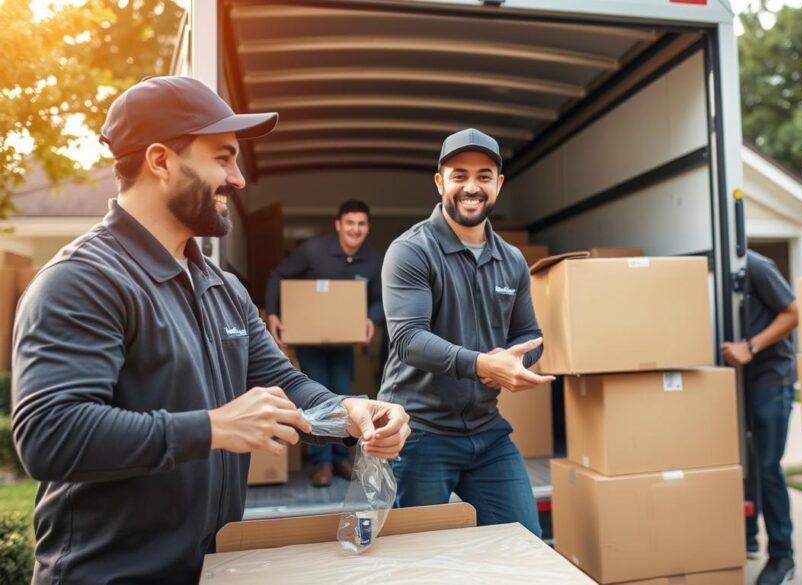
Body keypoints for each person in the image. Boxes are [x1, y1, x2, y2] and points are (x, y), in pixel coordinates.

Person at [10, 76, 410, 584]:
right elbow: (51, 435)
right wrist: (214, 427)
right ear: (160, 161)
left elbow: (288, 385)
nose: (239, 179)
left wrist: (351, 412)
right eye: (223, 158)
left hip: (212, 569)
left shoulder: (223, 287)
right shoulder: (81, 281)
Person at [378, 128, 554, 537]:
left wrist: (511, 364)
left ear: (498, 184)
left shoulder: (511, 260)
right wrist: (480, 365)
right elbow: (408, 339)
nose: (471, 187)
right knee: (423, 561)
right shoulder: (411, 251)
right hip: (419, 433)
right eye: (459, 175)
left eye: (483, 176)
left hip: (487, 431)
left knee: (525, 543)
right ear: (440, 182)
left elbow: (529, 333)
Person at [264, 199, 384, 486]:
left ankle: (340, 459)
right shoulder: (314, 251)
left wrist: (370, 319)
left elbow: (381, 300)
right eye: (350, 223)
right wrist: (274, 314)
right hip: (310, 340)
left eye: (361, 224)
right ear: (339, 225)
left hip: (343, 342)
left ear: (367, 227)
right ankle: (322, 465)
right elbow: (278, 275)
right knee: (319, 395)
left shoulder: (372, 260)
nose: (355, 229)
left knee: (343, 394)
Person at [721, 250, 799, 585]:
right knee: (746, 459)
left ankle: (783, 557)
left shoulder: (756, 264)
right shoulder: (713, 264)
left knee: (768, 466)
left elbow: (794, 312)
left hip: (771, 377)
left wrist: (750, 347)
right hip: (739, 379)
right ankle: (749, 532)